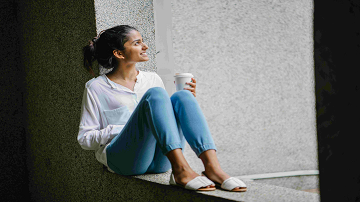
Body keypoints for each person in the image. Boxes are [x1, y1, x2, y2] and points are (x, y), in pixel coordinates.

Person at [78, 25, 247, 192]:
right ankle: (181, 170)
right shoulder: (96, 87)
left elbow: (164, 124)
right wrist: (123, 130)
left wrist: (187, 105)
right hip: (124, 160)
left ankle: (212, 168)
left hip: (159, 161)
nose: (145, 46)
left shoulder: (152, 79)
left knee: (183, 96)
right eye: (137, 43)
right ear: (119, 53)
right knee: (157, 94)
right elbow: (85, 139)